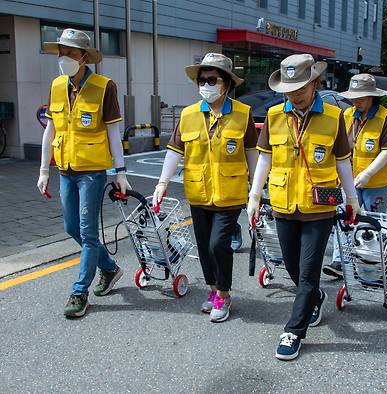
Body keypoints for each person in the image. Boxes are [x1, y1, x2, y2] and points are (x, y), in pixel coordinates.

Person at [247, 54, 359, 361]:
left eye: (301, 87)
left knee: (308, 272)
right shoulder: (273, 116)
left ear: (315, 82)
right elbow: (265, 158)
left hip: (318, 206)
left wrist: (352, 198)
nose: (295, 94)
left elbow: (342, 161)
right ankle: (316, 298)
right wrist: (254, 196)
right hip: (283, 203)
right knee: (293, 267)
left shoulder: (335, 116)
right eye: (289, 88)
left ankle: (293, 331)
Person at [152, 53, 258, 323]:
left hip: (231, 194)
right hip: (198, 193)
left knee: (217, 245)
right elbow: (175, 152)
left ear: (226, 83)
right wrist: (162, 184)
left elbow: (252, 155)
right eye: (202, 80)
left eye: (212, 80)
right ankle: (213, 291)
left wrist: (257, 192)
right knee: (203, 247)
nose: (206, 85)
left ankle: (224, 294)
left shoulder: (243, 114)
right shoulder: (188, 115)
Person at [36, 29, 129, 318]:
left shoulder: (105, 87)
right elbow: (50, 129)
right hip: (65, 169)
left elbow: (114, 133)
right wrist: (43, 170)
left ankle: (79, 293)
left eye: (70, 53)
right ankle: (110, 269)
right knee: (71, 228)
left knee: (87, 233)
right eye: (61, 53)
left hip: (92, 171)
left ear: (84, 56)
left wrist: (120, 172)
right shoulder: (56, 86)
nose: (64, 58)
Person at [323, 73, 387, 278]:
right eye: (354, 97)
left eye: (361, 97)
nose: (356, 101)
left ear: (372, 97)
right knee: (343, 219)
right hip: (349, 181)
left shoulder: (386, 118)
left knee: (373, 223)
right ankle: (340, 261)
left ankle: (375, 261)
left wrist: (368, 173)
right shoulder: (346, 115)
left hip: (377, 182)